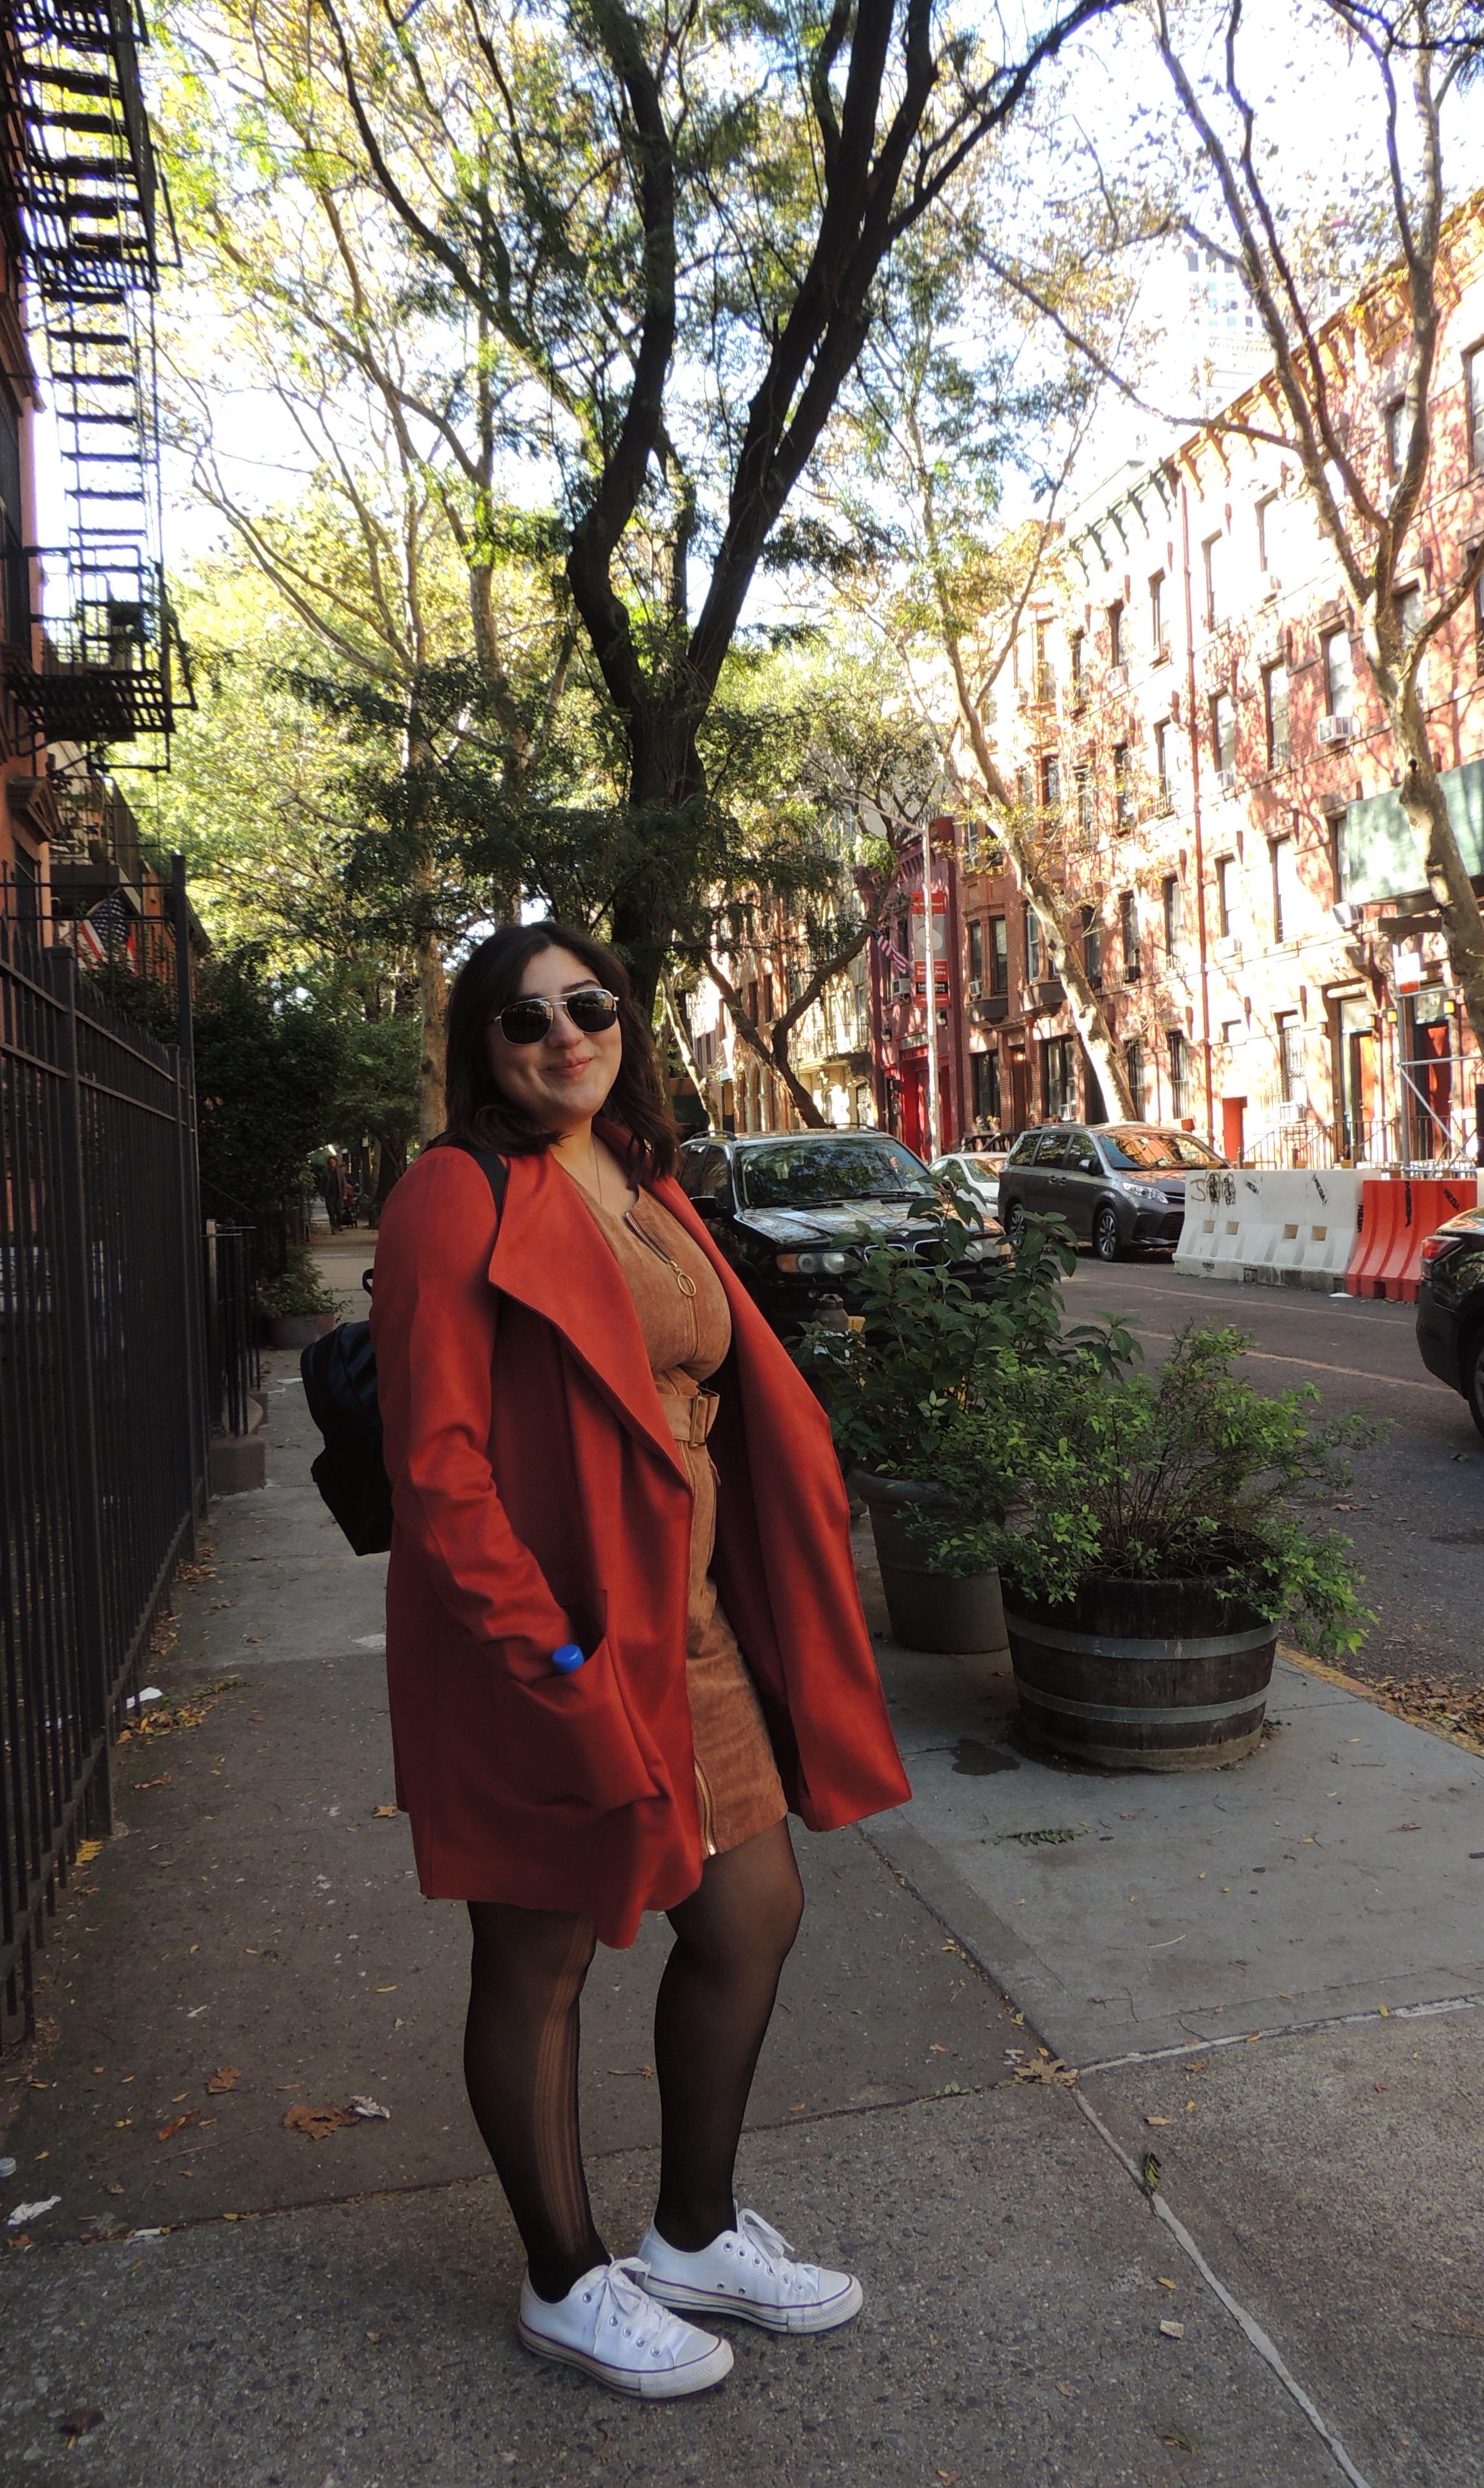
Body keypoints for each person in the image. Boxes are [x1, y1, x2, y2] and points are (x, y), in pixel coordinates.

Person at [371, 922, 910, 2401]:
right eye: (526, 1018)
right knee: (538, 1960)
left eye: (588, 1004)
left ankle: (689, 2232)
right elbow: (438, 1467)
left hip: (694, 1630)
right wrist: (546, 1647)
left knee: (751, 1912)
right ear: (485, 1049)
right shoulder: (452, 1195)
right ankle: (563, 2275)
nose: (564, 1034)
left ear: (624, 1020)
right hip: (546, 1640)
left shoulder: (649, 1175)